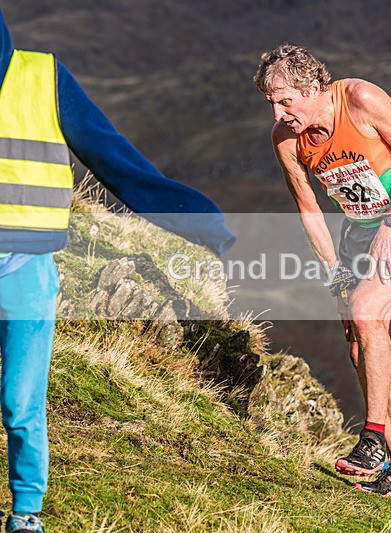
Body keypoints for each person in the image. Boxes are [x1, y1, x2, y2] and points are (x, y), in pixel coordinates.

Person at [0, 9, 235, 532]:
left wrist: (201, 221)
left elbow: (117, 162)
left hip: (26, 270)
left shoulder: (43, 77)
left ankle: (26, 513)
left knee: (21, 400)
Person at [254, 44, 391, 496]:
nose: (279, 113)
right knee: (361, 347)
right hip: (358, 230)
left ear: (313, 88)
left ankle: (373, 439)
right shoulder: (286, 139)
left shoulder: (360, 98)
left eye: (286, 101)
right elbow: (309, 210)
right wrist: (334, 275)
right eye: (271, 103)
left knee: (365, 311)